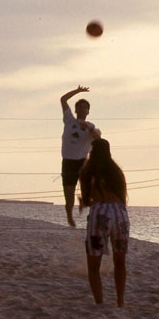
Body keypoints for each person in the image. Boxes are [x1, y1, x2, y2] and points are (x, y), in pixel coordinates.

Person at [78, 138, 130, 307]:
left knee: (94, 265)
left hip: (100, 212)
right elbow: (123, 197)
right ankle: (120, 301)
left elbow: (88, 199)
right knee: (120, 261)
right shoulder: (117, 172)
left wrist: (82, 201)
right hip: (120, 213)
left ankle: (99, 302)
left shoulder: (88, 171)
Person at [60, 86, 101, 227]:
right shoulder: (69, 120)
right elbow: (63, 99)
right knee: (69, 195)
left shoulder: (92, 126)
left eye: (85, 108)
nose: (82, 109)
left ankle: (85, 203)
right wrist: (77, 91)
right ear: (76, 110)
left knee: (89, 190)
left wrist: (88, 128)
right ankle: (69, 215)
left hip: (83, 162)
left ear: (88, 111)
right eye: (80, 107)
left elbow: (98, 139)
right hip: (68, 161)